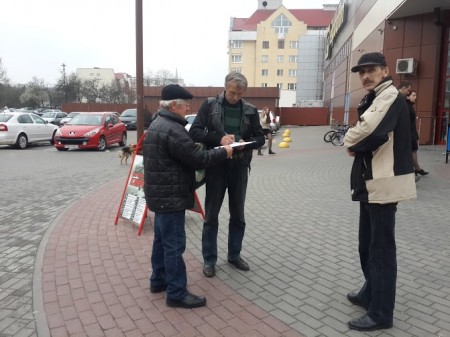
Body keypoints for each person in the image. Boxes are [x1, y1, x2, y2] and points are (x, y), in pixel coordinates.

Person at [344, 52, 416, 331]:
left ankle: (381, 313)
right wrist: (358, 139)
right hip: (370, 183)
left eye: (371, 69)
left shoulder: (390, 97)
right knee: (367, 245)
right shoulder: (375, 96)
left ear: (385, 71)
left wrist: (354, 141)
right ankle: (369, 292)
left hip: (383, 185)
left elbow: (368, 133)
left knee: (381, 251)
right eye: (362, 72)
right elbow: (367, 133)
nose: (365, 75)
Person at [143, 84, 233, 309]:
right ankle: (176, 292)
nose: (188, 108)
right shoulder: (172, 128)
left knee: (161, 242)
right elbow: (197, 158)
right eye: (185, 105)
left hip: (160, 194)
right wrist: (224, 152)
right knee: (174, 245)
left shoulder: (157, 123)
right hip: (171, 196)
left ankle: (158, 280)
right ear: (174, 105)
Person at [189, 72, 265, 278]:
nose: (235, 98)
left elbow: (260, 138)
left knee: (238, 215)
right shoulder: (210, 105)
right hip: (216, 165)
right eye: (232, 93)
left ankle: (234, 255)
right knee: (211, 215)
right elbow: (194, 131)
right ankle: (209, 260)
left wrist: (245, 142)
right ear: (225, 87)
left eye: (239, 94)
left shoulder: (249, 110)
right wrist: (219, 139)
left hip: (240, 167)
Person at [406, 90, 428, 176]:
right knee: (413, 151)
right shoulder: (407, 106)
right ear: (407, 97)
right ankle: (416, 169)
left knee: (413, 151)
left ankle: (416, 169)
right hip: (409, 133)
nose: (416, 97)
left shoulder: (409, 106)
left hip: (412, 132)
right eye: (413, 95)